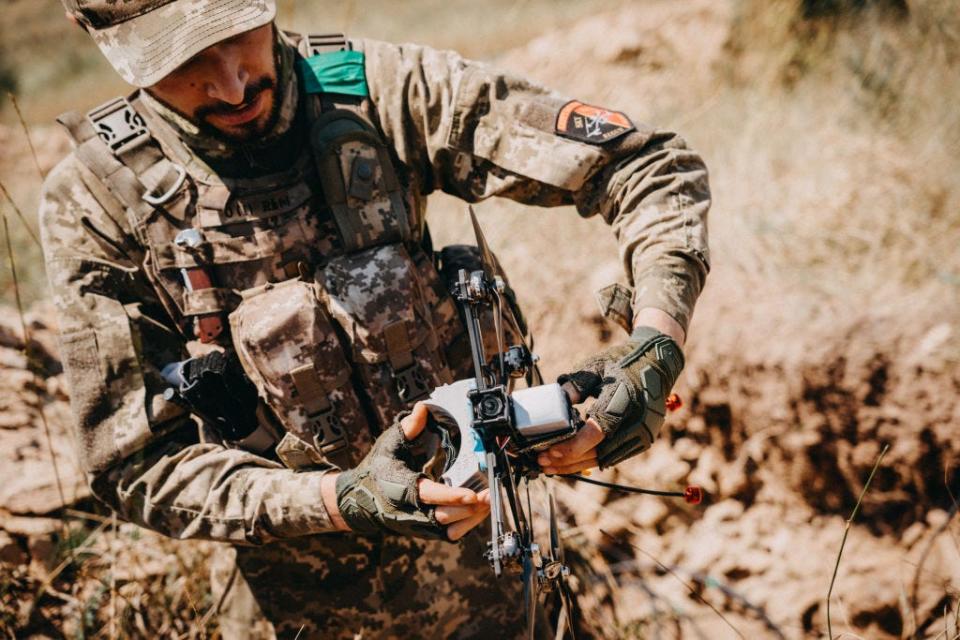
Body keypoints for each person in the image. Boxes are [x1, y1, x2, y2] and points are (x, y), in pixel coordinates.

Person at [41, 0, 710, 637]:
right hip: (304, 615)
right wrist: (338, 501)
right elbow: (136, 468)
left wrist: (655, 343)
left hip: (504, 590)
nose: (232, 82)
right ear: (96, 39)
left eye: (234, 30)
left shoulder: (381, 90)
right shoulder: (96, 202)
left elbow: (644, 165)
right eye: (178, 60)